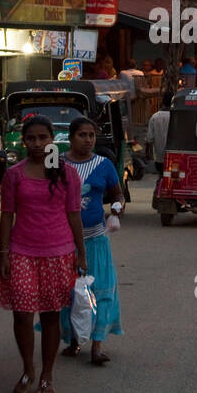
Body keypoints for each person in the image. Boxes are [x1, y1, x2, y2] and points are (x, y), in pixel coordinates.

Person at [0, 116, 86, 393]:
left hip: (58, 253)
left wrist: (81, 253)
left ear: (52, 140)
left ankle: (46, 374)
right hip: (21, 252)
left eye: (43, 138)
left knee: (50, 316)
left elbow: (74, 215)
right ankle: (27, 370)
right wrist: (4, 253)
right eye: (31, 138)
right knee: (22, 314)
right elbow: (6, 216)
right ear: (23, 142)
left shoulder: (67, 174)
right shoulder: (14, 175)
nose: (37, 144)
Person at [59, 117, 124, 365]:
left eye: (92, 135)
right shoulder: (58, 163)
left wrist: (116, 208)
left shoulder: (104, 165)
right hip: (64, 241)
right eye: (82, 135)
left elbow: (117, 193)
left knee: (101, 289)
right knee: (68, 292)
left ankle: (97, 344)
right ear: (71, 137)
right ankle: (74, 340)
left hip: (96, 238)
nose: (88, 140)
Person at [147, 98, 172, 173]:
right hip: (172, 157)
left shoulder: (155, 117)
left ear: (162, 103)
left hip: (159, 157)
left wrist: (148, 153)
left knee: (161, 176)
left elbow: (149, 138)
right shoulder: (175, 116)